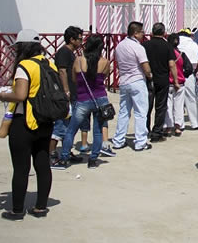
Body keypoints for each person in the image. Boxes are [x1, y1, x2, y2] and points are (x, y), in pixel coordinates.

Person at [0, 30, 55, 220]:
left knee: (21, 168)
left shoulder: (25, 66)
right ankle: (40, 207)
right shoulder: (49, 64)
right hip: (45, 121)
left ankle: (17, 210)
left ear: (23, 47)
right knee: (42, 164)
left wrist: (4, 95)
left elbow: (20, 95)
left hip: (24, 122)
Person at [53, 34, 112, 170]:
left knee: (71, 130)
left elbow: (74, 79)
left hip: (83, 98)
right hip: (100, 98)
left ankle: (64, 158)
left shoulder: (79, 60)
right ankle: (93, 159)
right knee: (98, 130)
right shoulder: (105, 62)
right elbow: (104, 78)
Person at [112, 22, 154, 152]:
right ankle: (140, 142)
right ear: (135, 33)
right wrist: (150, 76)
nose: (143, 34)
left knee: (124, 112)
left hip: (124, 81)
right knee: (141, 112)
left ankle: (118, 140)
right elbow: (145, 66)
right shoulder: (138, 47)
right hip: (137, 80)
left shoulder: (119, 46)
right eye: (141, 32)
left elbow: (118, 64)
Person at [50, 26, 90, 159]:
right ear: (72, 39)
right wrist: (66, 91)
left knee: (68, 125)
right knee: (61, 124)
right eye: (79, 39)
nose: (81, 41)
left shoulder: (71, 53)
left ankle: (66, 151)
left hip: (73, 92)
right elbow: (62, 71)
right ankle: (51, 152)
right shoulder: (64, 52)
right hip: (65, 94)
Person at [143, 22, 179, 142]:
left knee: (146, 107)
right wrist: (175, 80)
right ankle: (156, 133)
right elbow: (172, 65)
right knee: (161, 107)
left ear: (152, 33)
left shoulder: (145, 45)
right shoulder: (167, 46)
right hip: (162, 80)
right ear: (164, 33)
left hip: (148, 79)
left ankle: (145, 131)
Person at [177, 29, 198, 130]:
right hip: (189, 74)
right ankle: (196, 123)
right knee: (191, 99)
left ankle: (178, 124)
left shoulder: (174, 43)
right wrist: (196, 71)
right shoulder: (192, 44)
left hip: (175, 74)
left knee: (177, 100)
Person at [164, 33, 187, 137]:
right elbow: (189, 68)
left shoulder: (166, 53)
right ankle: (178, 127)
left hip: (168, 82)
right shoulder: (181, 54)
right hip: (180, 82)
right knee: (179, 106)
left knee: (168, 106)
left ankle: (168, 127)